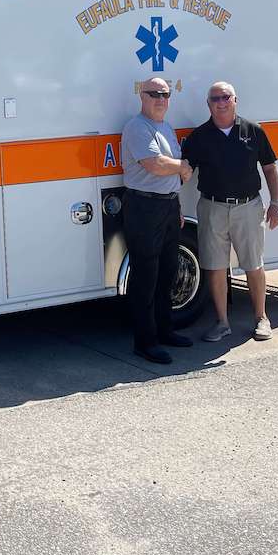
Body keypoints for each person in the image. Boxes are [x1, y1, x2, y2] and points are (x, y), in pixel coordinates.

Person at [182, 81, 278, 342]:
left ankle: (261, 318)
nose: (221, 102)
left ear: (235, 100)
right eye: (215, 98)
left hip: (248, 207)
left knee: (254, 264)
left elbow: (270, 169)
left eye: (226, 97)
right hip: (212, 207)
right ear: (208, 104)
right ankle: (222, 322)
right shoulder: (200, 136)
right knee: (215, 267)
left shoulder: (253, 131)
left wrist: (276, 203)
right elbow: (185, 171)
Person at [119, 77, 194, 364]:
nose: (161, 99)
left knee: (167, 273)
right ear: (142, 95)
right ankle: (145, 342)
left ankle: (165, 330)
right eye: (155, 94)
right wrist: (183, 166)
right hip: (143, 207)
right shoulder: (137, 127)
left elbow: (169, 171)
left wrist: (175, 204)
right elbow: (155, 164)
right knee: (145, 276)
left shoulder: (165, 127)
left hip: (166, 206)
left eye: (165, 94)